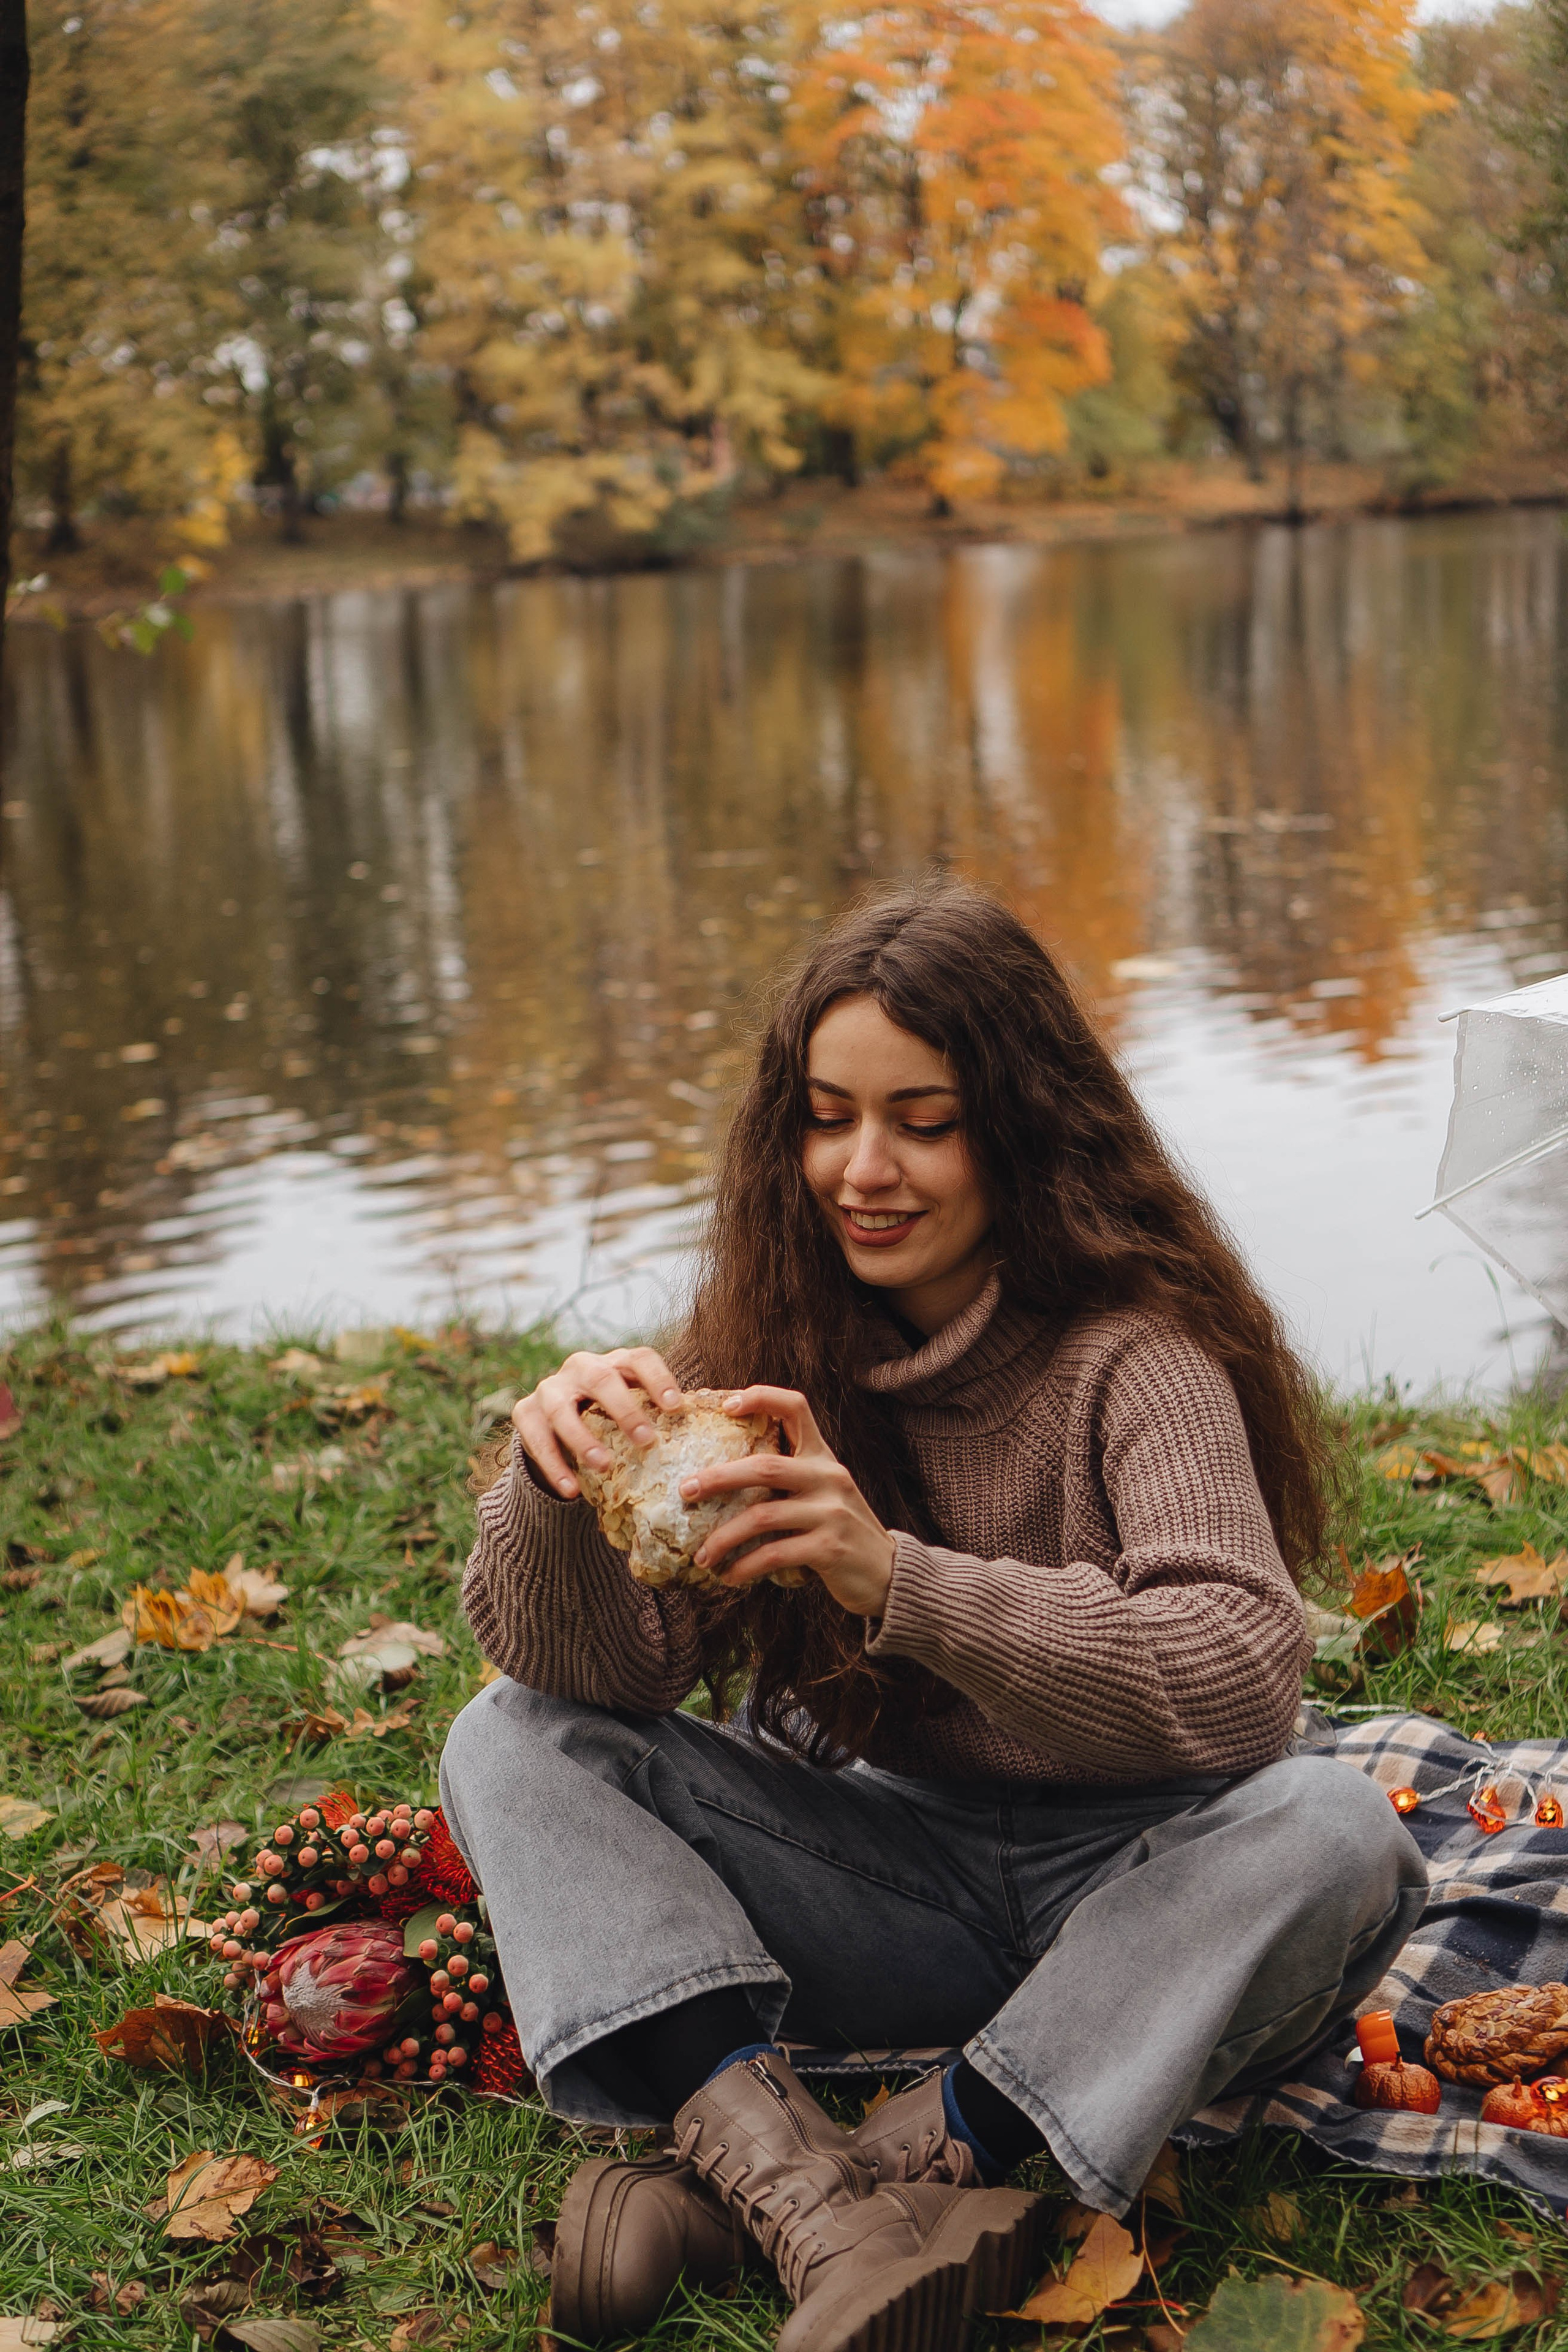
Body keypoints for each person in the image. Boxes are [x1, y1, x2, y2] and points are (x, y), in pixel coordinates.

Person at [440, 882, 1427, 2352]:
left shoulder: (1136, 1357)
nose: (863, 1168)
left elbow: (1235, 1680)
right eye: (828, 1116)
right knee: (512, 1739)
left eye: (923, 1118)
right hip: (893, 1877)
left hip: (1151, 1890)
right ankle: (810, 2202)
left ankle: (909, 2156)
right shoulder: (770, 1350)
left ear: (1020, 1127)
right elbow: (615, 1680)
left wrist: (897, 1582)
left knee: (1342, 1836)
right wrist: (550, 1490)